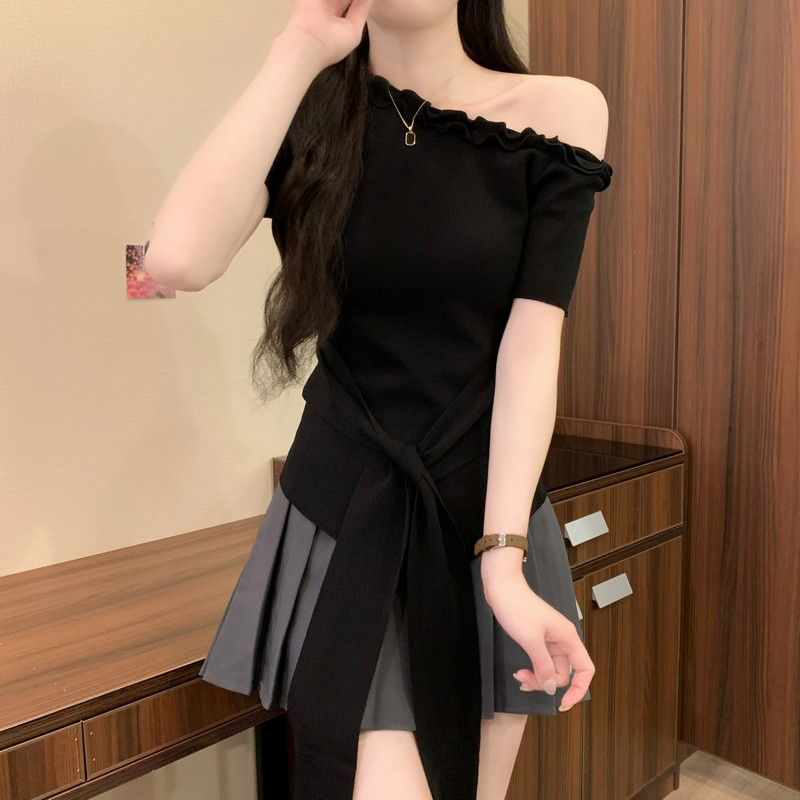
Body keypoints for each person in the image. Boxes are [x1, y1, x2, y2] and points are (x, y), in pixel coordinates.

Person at [145, 1, 612, 798]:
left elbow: (532, 347)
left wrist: (503, 564)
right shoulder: (309, 115)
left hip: (487, 516)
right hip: (345, 514)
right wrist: (300, 48)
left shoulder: (561, 111)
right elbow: (174, 262)